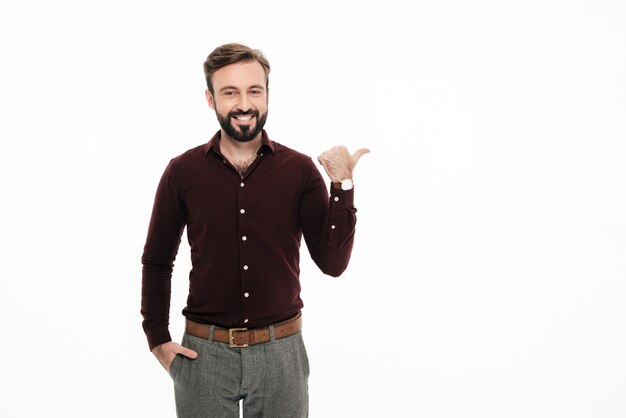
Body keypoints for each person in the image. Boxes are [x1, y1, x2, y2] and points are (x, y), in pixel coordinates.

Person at [141, 42, 369, 417]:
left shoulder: (299, 171)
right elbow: (157, 259)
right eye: (230, 92)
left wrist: (342, 187)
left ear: (267, 95)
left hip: (281, 353)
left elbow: (332, 262)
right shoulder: (182, 171)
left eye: (253, 91)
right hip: (204, 355)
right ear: (211, 99)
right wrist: (157, 339)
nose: (243, 103)